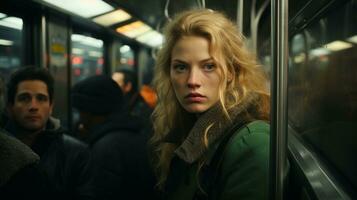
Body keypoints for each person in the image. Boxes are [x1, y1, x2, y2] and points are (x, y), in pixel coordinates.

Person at [150, 9, 270, 200]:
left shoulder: (251, 142)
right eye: (181, 67)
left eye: (209, 66)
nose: (192, 80)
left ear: (232, 71)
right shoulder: (186, 125)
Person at [4, 66, 94, 200]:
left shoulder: (76, 153)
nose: (33, 106)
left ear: (51, 107)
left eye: (41, 99)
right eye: (24, 98)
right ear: (10, 107)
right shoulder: (3, 148)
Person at [71, 75, 157, 200]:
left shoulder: (105, 148)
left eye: (81, 111)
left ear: (92, 111)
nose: (80, 119)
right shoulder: (137, 133)